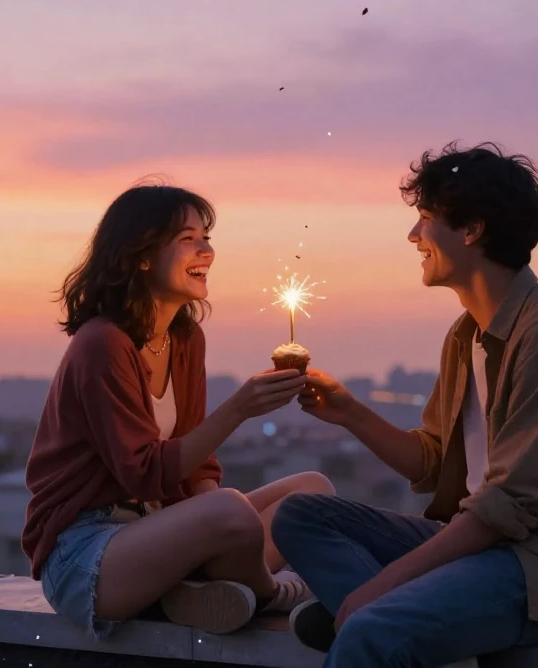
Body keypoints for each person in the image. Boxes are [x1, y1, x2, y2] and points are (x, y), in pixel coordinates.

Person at [271, 143, 538, 666]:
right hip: (483, 548)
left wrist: (378, 589)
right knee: (299, 516)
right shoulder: (467, 334)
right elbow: (432, 462)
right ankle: (402, 619)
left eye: (425, 219)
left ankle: (376, 622)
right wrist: (349, 412)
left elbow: (510, 505)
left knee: (371, 631)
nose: (413, 236)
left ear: (472, 231)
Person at [21, 183, 332, 640]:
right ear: (142, 255)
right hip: (89, 551)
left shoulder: (185, 339)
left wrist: (218, 526)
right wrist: (239, 410)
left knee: (312, 490)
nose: (207, 251)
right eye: (188, 239)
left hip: (161, 528)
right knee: (229, 510)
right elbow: (143, 473)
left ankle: (195, 591)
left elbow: (197, 464)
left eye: (207, 237)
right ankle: (271, 592)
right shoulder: (102, 344)